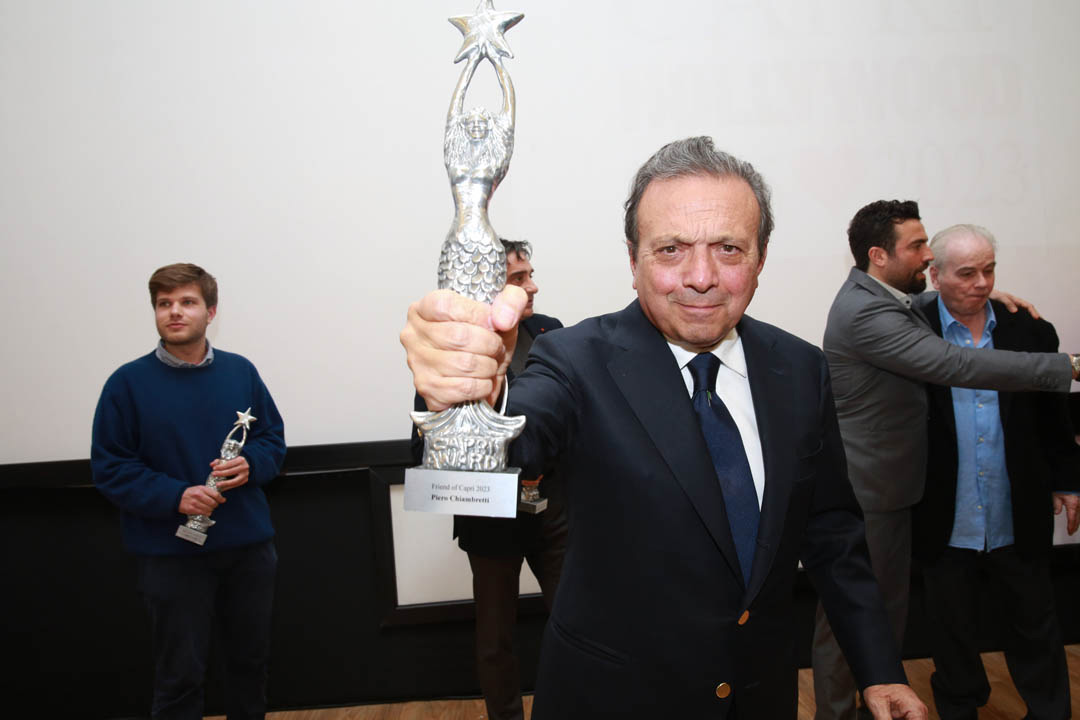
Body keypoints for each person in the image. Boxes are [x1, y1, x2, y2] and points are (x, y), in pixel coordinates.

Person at [401, 137, 927, 719]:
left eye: (728, 248)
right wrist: (463, 393)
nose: (701, 277)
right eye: (671, 249)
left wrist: (879, 670)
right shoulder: (575, 361)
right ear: (634, 261)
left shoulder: (801, 369)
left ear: (760, 258)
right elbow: (515, 441)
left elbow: (832, 535)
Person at [812, 202, 1080, 720]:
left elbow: (928, 299)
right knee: (851, 617)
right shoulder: (867, 313)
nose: (927, 254)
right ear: (879, 255)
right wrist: (1068, 367)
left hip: (893, 491)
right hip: (870, 493)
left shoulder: (890, 300)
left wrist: (978, 293)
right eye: (916, 246)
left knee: (879, 616)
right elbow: (954, 363)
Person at [91, 263, 286, 720]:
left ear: (210, 312)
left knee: (249, 667)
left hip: (248, 549)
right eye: (164, 304)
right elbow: (110, 467)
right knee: (179, 677)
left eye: (187, 302)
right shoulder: (126, 384)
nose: (174, 312)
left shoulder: (241, 372)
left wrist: (252, 463)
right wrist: (175, 496)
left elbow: (271, 440)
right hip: (170, 556)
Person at [912, 224, 1080, 720]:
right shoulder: (911, 328)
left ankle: (1049, 711)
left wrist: (1068, 480)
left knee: (1035, 623)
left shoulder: (1030, 329)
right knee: (952, 631)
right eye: (967, 273)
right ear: (935, 275)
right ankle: (960, 708)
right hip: (943, 509)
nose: (982, 283)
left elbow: (1054, 416)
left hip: (1016, 505)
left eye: (989, 270)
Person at [411, 239, 567, 720]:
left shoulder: (552, 333)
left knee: (577, 624)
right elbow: (424, 446)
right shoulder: (454, 351)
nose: (532, 286)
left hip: (554, 510)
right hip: (489, 517)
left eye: (530, 274)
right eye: (519, 278)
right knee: (495, 641)